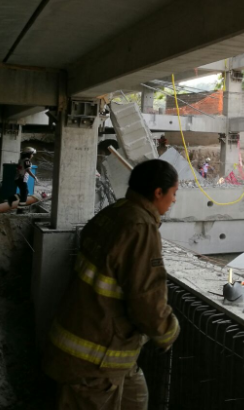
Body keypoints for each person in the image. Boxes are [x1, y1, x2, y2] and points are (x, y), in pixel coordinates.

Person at [43, 159, 181, 410]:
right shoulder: (140, 228)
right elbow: (146, 298)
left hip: (98, 348)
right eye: (173, 193)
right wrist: (168, 331)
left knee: (136, 398)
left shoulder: (113, 213)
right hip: (95, 359)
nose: (174, 201)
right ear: (158, 192)